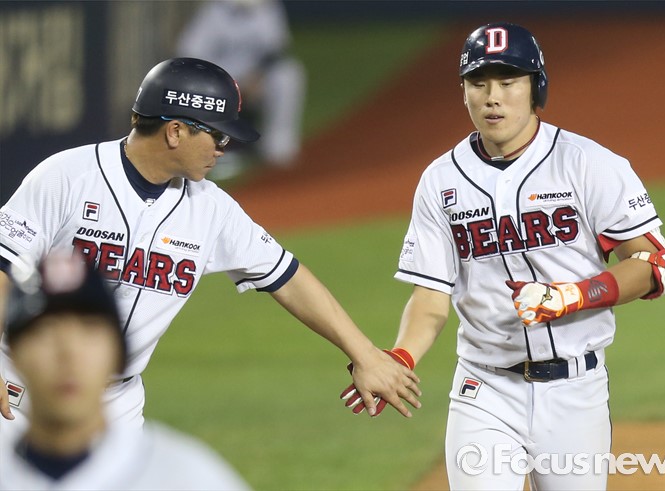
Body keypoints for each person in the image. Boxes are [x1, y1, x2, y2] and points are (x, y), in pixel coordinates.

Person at [0, 57, 420, 440]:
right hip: (20, 390)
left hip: (115, 406)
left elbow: (287, 277)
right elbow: (4, 266)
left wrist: (365, 354)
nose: (224, 148)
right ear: (175, 131)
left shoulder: (211, 207)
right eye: (217, 135)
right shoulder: (67, 177)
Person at [342, 22, 665, 490]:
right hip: (485, 389)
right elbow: (431, 296)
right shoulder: (441, 180)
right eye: (478, 83)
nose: (492, 98)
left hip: (575, 392)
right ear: (463, 92)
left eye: (508, 81)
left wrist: (572, 296)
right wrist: (400, 356)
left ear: (536, 87)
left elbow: (657, 265)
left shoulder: (587, 163)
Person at [0, 252, 250, 490]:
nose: (69, 354)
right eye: (46, 331)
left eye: (89, 330)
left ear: (118, 353)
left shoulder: (187, 479)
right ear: (15, 352)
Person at [177, 0, 305, 179]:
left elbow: (276, 51)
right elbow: (190, 52)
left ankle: (278, 148)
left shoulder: (268, 8)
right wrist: (224, 82)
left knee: (288, 74)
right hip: (218, 76)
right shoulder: (214, 11)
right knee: (193, 83)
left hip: (256, 77)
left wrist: (257, 77)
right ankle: (201, 149)